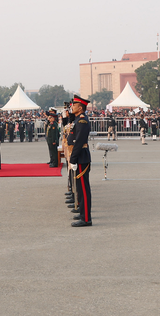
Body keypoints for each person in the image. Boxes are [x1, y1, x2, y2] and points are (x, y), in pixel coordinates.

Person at [69, 95, 93, 227]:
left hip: (81, 157)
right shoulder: (78, 119)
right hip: (80, 156)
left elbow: (79, 141)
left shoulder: (82, 121)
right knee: (80, 187)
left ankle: (86, 219)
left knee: (83, 189)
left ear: (80, 108)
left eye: (74, 105)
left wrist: (73, 158)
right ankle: (83, 212)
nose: (72, 107)